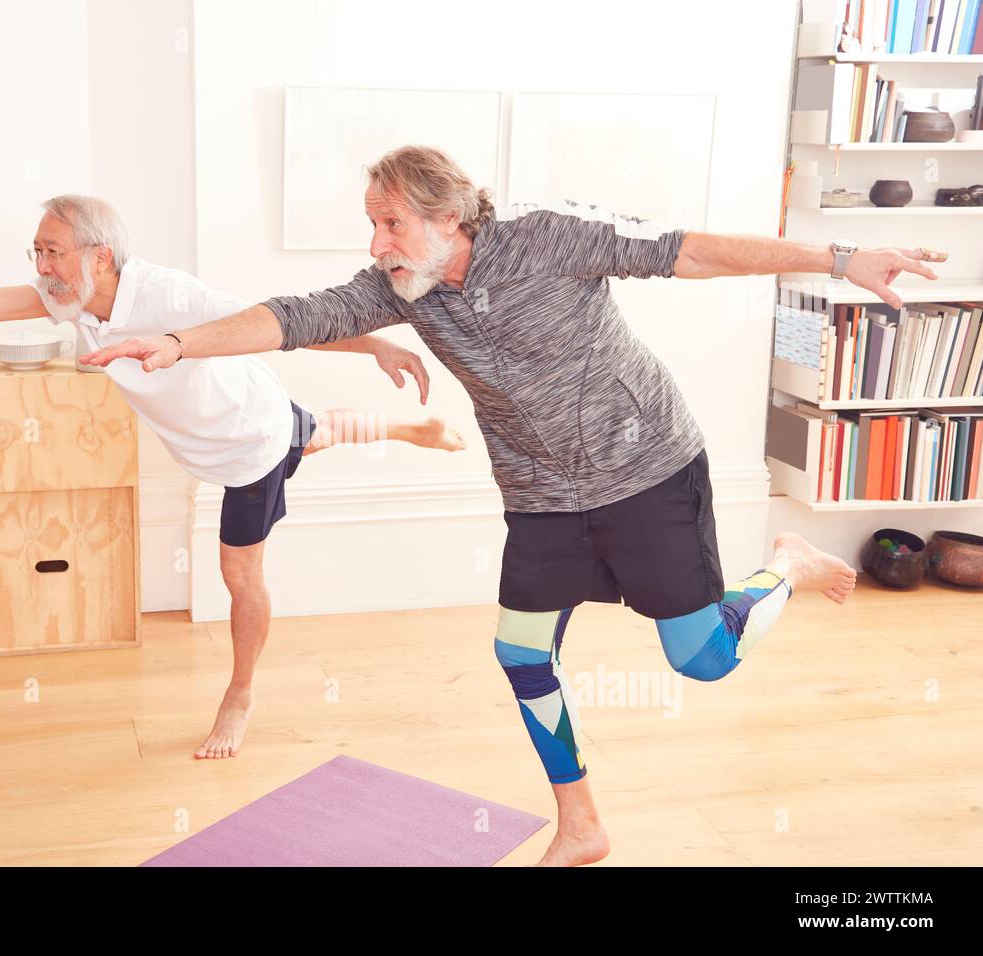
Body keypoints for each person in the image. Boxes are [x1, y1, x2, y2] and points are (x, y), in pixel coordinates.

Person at [76, 145, 948, 866]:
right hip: (541, 493)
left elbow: (697, 252)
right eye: (370, 225)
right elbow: (293, 315)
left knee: (703, 661)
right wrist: (178, 343)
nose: (377, 242)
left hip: (645, 465)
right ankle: (581, 823)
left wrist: (840, 258)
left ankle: (787, 565)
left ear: (448, 218)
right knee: (521, 651)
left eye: (390, 223)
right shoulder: (395, 288)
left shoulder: (550, 239)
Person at [0, 193, 465, 761]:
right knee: (310, 433)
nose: (42, 265)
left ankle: (240, 693)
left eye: (53, 251)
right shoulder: (69, 300)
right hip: (234, 429)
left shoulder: (168, 296)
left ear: (98, 256)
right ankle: (411, 430)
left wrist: (371, 339)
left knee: (240, 572)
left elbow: (274, 322)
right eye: (38, 252)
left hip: (244, 448)